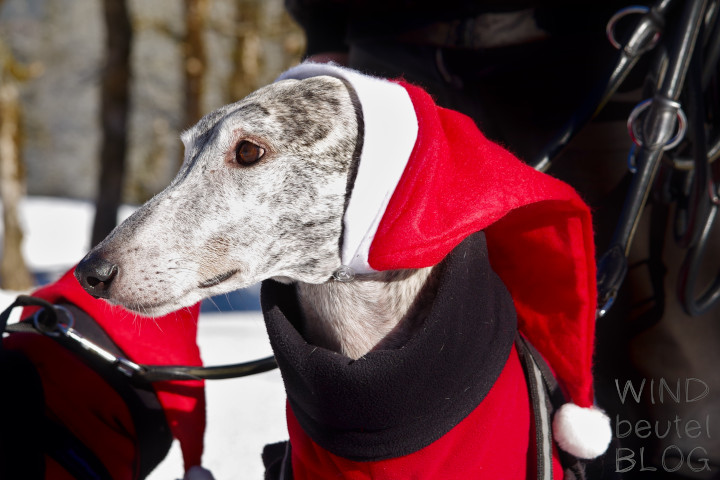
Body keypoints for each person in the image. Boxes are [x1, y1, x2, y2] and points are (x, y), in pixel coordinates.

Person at [284, 2, 720, 478]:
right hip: (390, 53)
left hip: (600, 49)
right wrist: (324, 28)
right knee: (388, 352)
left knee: (657, 335)